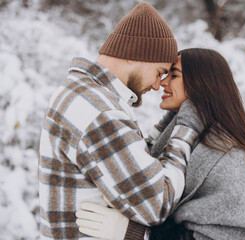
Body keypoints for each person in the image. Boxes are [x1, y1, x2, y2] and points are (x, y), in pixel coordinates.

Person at [38, 2, 204, 239]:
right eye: (159, 72)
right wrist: (185, 129)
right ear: (135, 53)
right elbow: (158, 203)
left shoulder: (77, 92)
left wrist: (165, 124)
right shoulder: (100, 112)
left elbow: (126, 163)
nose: (158, 85)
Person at [75, 48, 245, 240]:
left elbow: (238, 234)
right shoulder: (177, 135)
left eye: (174, 75)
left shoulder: (229, 155)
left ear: (201, 83)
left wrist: (136, 234)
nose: (162, 83)